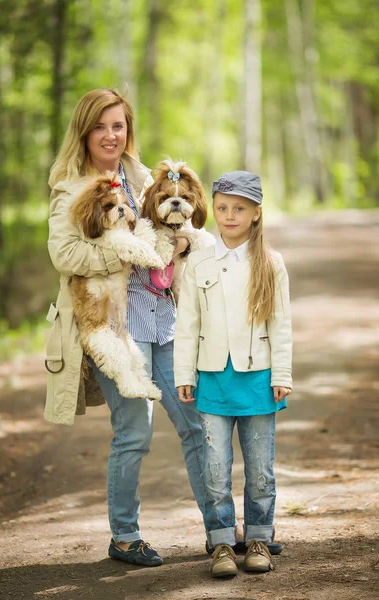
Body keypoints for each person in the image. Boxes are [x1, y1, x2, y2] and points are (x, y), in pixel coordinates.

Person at [44, 88, 207, 567]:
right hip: (113, 324)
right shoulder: (70, 187)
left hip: (165, 318)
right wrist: (125, 253)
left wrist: (182, 247)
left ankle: (219, 526)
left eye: (118, 126)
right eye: (101, 126)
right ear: (84, 131)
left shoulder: (142, 177)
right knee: (134, 430)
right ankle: (125, 536)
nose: (111, 135)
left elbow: (179, 225)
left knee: (195, 421)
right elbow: (64, 255)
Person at [174, 171, 292, 578]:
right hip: (213, 378)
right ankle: (222, 542)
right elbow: (187, 323)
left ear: (256, 213)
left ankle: (258, 538)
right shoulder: (199, 263)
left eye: (239, 208)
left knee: (260, 468)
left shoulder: (271, 264)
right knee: (215, 468)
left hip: (258, 378)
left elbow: (281, 324)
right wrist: (183, 372)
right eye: (222, 207)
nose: (228, 215)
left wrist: (283, 373)